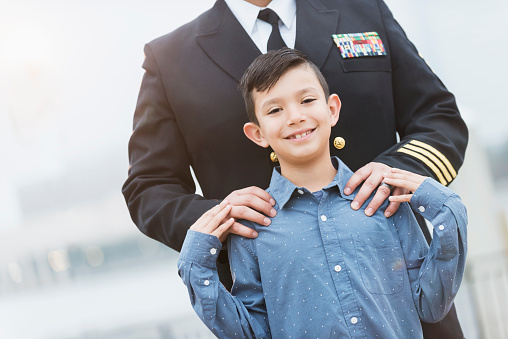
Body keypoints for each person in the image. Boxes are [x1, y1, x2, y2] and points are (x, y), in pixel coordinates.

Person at [122, 0, 468, 336]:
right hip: (280, 309)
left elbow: (438, 117)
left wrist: (393, 174)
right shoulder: (170, 59)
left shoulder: (363, 9)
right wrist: (223, 219)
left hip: (404, 300)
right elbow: (149, 186)